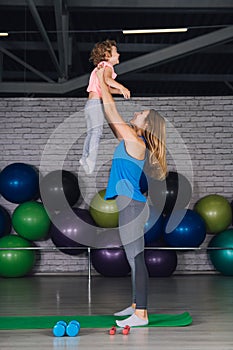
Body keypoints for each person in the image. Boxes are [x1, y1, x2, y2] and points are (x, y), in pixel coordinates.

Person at [96, 65, 167, 328]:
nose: (136, 113)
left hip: (133, 207)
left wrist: (103, 81)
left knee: (137, 258)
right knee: (132, 257)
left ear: (146, 125)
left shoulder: (136, 143)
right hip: (131, 205)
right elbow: (112, 116)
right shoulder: (130, 138)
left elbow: (112, 111)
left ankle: (142, 315)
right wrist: (104, 84)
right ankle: (136, 305)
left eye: (141, 114)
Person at [79, 39, 130, 175]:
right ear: (107, 56)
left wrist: (119, 91)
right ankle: (90, 162)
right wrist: (122, 86)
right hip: (95, 104)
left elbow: (105, 89)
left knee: (91, 132)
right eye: (116, 52)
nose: (118, 54)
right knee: (96, 133)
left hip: (90, 104)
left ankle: (84, 158)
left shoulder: (99, 67)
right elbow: (108, 80)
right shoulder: (107, 66)